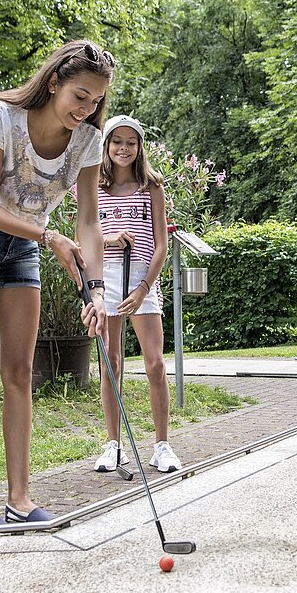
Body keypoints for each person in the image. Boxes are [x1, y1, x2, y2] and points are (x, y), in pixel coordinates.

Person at [0, 40, 112, 527]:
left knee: (20, 373)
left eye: (96, 101)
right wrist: (49, 236)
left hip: (23, 244)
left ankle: (19, 498)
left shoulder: (88, 141)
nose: (87, 109)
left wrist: (96, 290)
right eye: (80, 96)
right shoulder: (1, 118)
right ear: (54, 82)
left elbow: (90, 222)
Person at [92, 114, 182, 474]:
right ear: (107, 145)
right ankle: (113, 445)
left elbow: (162, 244)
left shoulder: (152, 186)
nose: (123, 148)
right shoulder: (94, 185)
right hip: (106, 279)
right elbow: (86, 234)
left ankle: (162, 445)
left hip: (142, 279)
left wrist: (144, 286)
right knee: (110, 365)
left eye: (131, 142)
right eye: (117, 141)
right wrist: (109, 239)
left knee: (155, 363)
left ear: (139, 146)